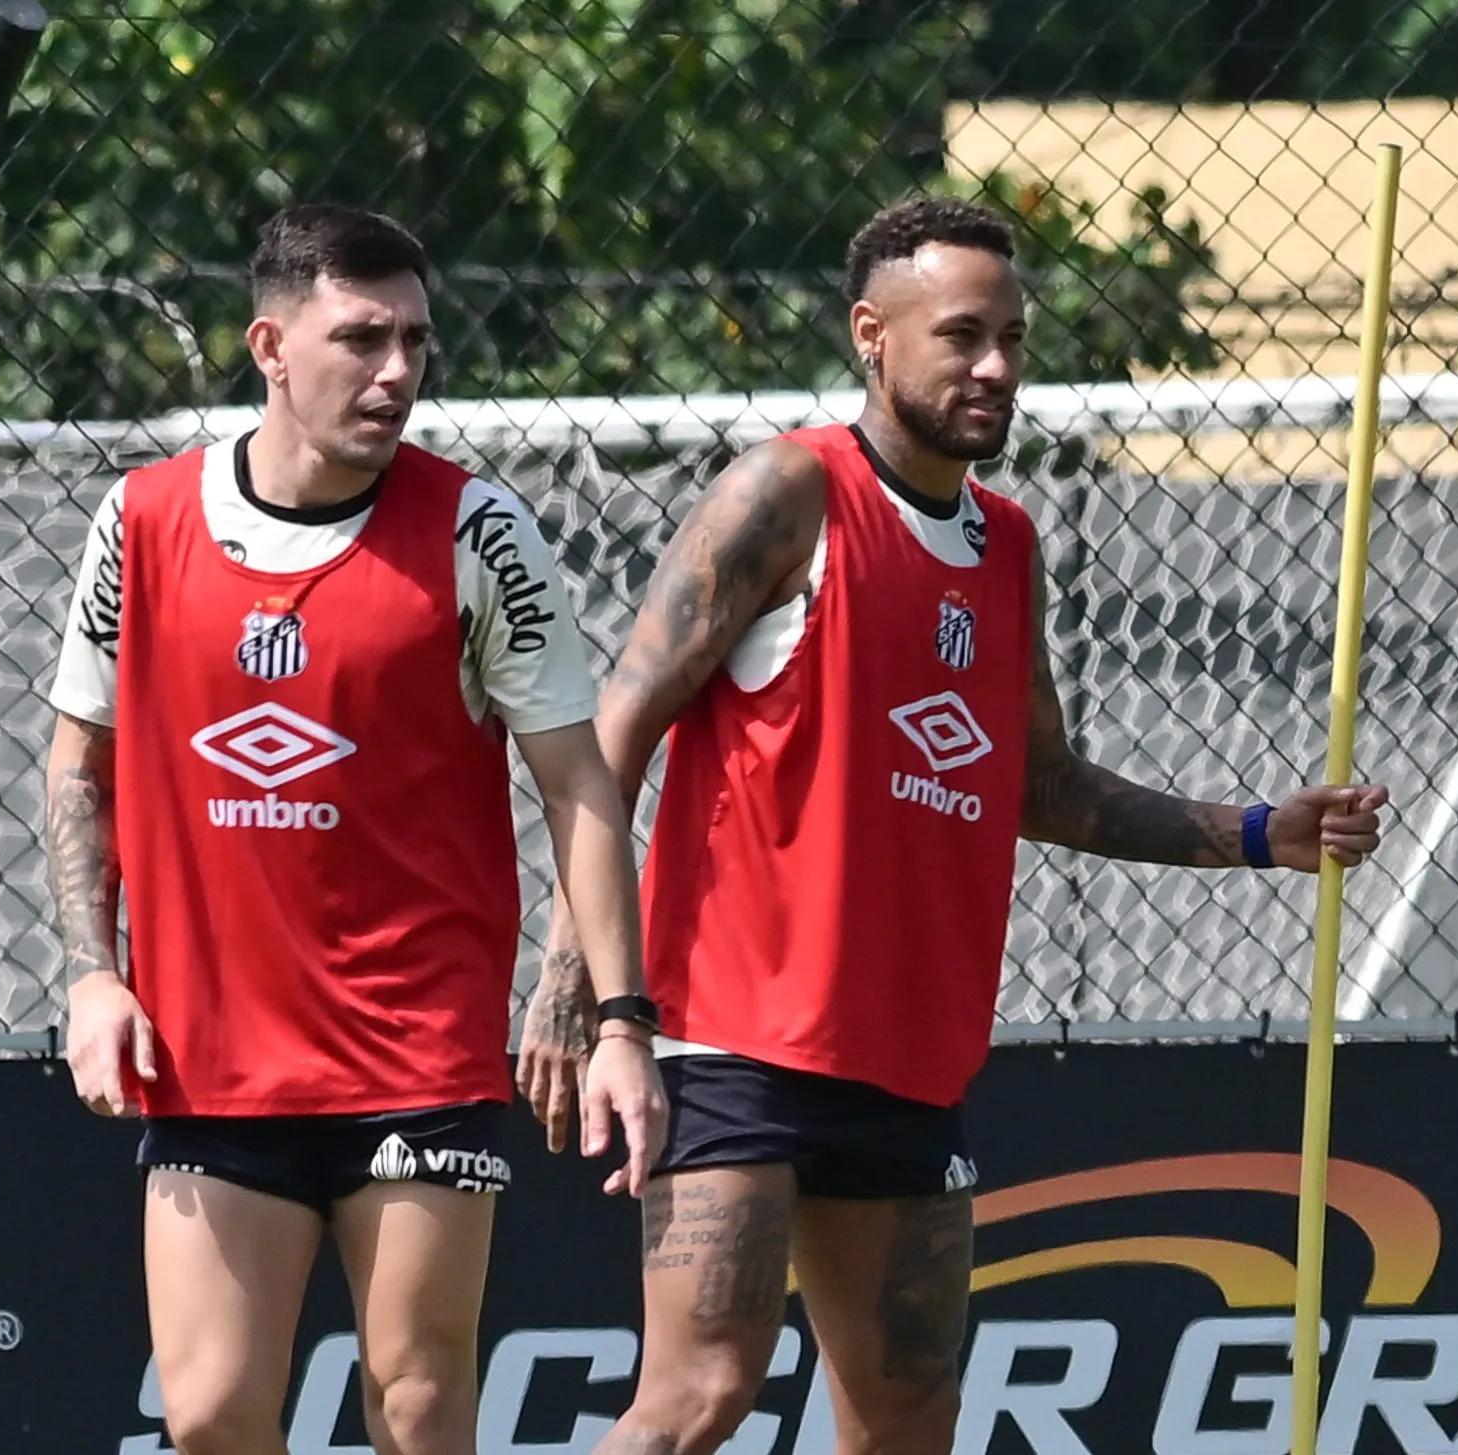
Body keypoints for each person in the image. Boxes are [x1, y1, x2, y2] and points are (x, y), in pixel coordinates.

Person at [515, 195, 1391, 1455]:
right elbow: (613, 732)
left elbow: (1040, 786)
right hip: (734, 1042)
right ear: (874, 333)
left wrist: (1261, 832)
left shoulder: (1007, 543)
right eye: (963, 336)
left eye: (1015, 340)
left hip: (906, 1060)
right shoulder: (787, 491)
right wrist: (587, 987)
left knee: (910, 1420)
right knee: (699, 1397)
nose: (997, 368)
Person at [41, 202, 669, 1455]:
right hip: (211, 1055)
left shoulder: (480, 530)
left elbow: (580, 785)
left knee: (419, 1405)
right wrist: (92, 973)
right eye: (361, 340)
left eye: (417, 344)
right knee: (213, 1413)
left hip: (413, 1048)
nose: (397, 375)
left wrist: (619, 1018)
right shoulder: (143, 522)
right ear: (269, 345)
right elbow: (79, 767)